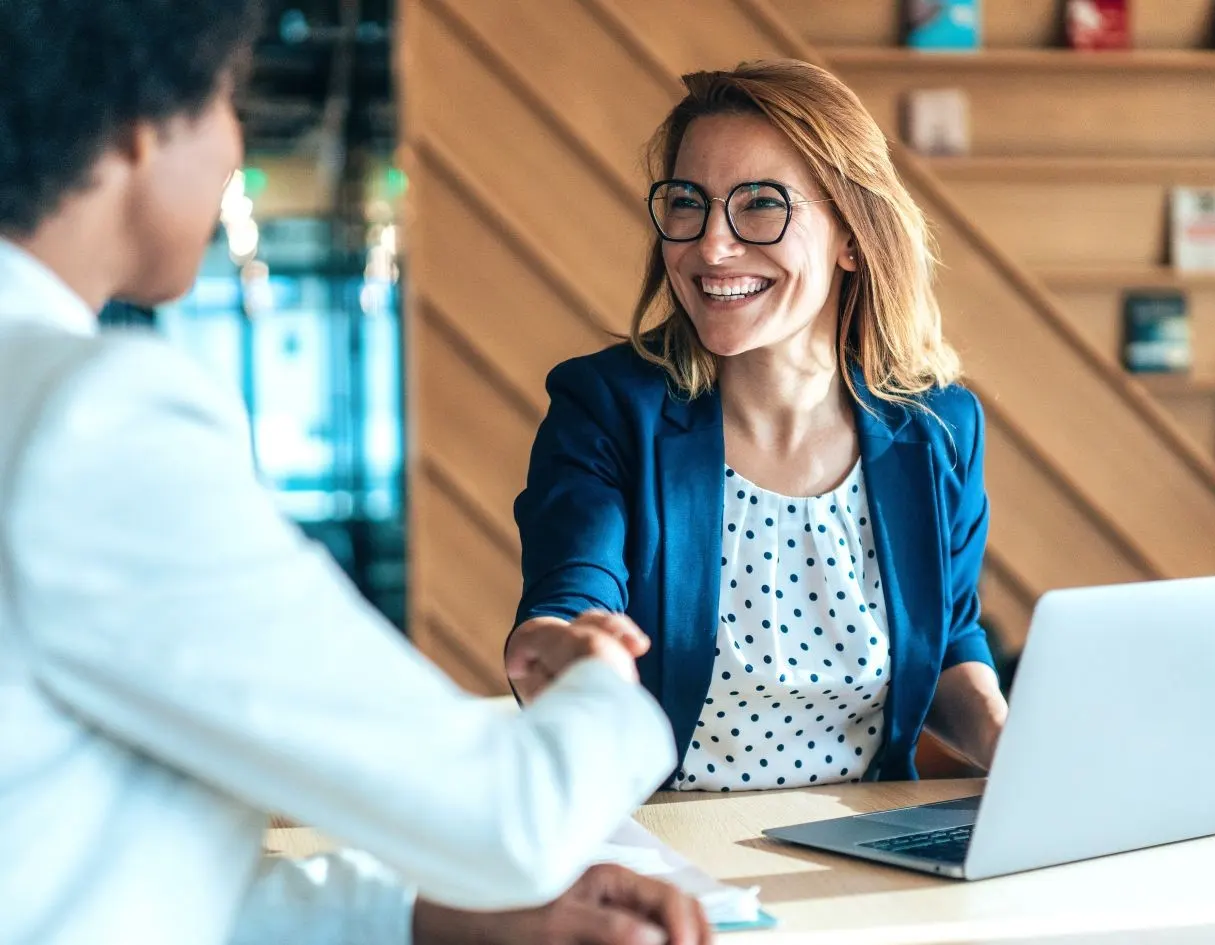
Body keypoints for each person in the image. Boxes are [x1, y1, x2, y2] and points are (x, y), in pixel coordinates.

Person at [0, 3, 708, 944]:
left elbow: (75, 865)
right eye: (225, 100)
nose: (233, 147)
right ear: (139, 126)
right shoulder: (90, 419)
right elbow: (511, 819)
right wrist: (602, 680)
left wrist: (425, 916)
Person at [507, 60, 1009, 793]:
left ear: (852, 236)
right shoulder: (607, 406)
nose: (712, 246)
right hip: (665, 849)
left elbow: (950, 637)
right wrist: (563, 649)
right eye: (688, 203)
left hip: (869, 846)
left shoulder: (940, 427)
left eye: (762, 205)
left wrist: (1007, 739)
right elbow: (570, 598)